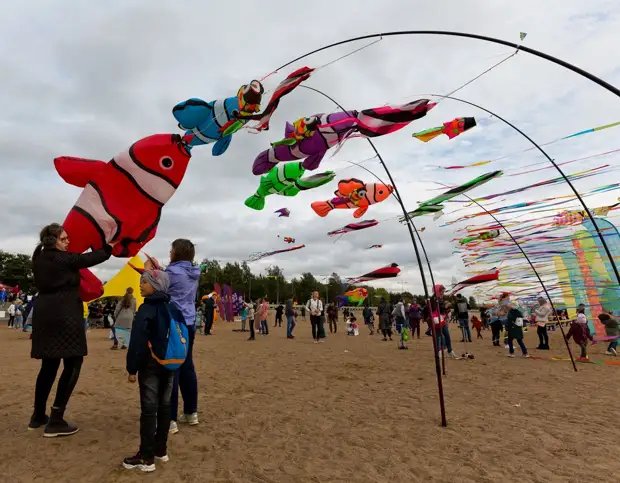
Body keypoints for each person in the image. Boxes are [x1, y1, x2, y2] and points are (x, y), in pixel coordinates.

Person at [29, 223, 113, 435]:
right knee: (73, 361)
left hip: (45, 312)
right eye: (64, 239)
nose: (68, 242)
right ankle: (56, 419)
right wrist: (108, 247)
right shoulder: (61, 259)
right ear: (52, 240)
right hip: (64, 313)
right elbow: (88, 259)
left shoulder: (38, 258)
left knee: (48, 366)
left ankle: (38, 415)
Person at [123, 269, 182, 472]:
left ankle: (146, 458)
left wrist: (132, 368)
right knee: (165, 407)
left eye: (144, 282)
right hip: (171, 363)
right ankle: (161, 450)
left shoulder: (146, 309)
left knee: (149, 410)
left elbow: (137, 341)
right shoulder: (174, 308)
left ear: (155, 285)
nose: (140, 285)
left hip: (150, 365)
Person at [146, 239, 200, 434]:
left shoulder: (173, 272)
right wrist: (160, 269)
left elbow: (157, 287)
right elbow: (173, 282)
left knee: (171, 368)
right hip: (189, 322)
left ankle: (170, 419)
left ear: (177, 252)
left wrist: (149, 271)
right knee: (187, 366)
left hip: (173, 323)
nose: (169, 251)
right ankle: (191, 412)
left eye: (171, 249)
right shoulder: (192, 272)